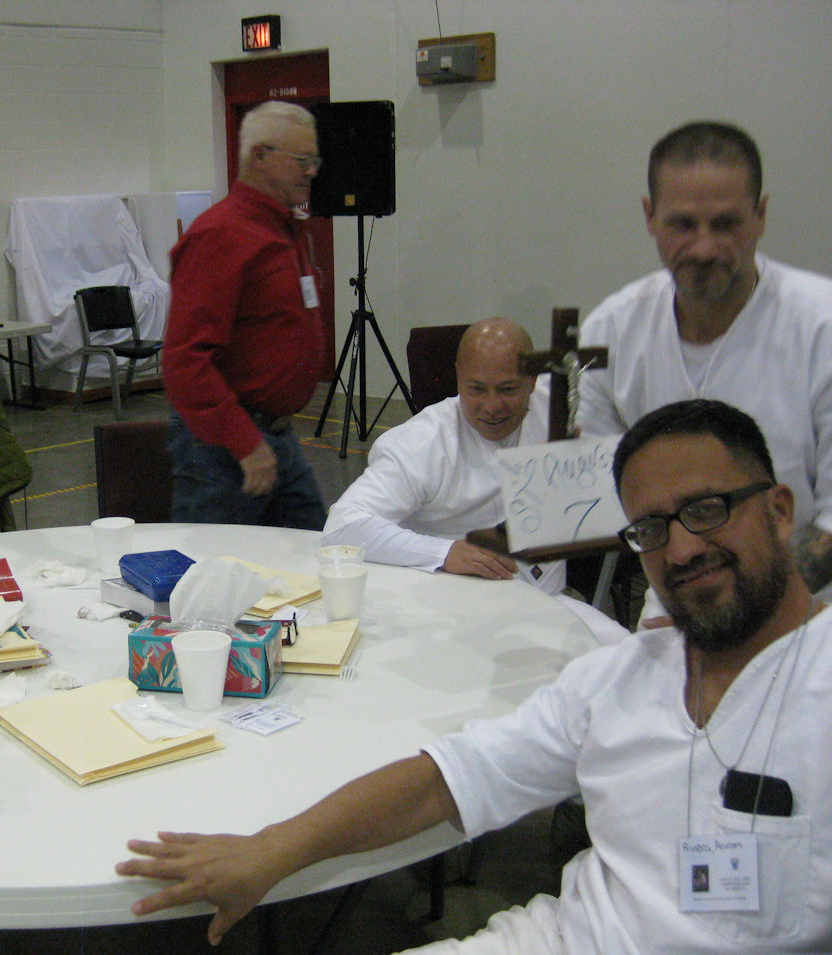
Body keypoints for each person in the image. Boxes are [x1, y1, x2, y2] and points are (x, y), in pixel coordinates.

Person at [118, 398, 831, 953]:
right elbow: (449, 778)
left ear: (778, 511)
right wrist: (269, 850)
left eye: (706, 510)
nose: (680, 549)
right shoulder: (618, 680)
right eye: (650, 528)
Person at [578, 121, 832, 607]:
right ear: (650, 216)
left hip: (809, 610)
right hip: (674, 606)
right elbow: (596, 494)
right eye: (682, 224)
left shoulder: (821, 327)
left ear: (760, 215)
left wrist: (743, 618)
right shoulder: (611, 332)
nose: (703, 248)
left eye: (725, 224)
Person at [163, 100, 326, 530]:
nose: (312, 171)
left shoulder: (283, 229)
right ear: (259, 156)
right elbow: (185, 360)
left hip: (275, 435)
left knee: (315, 553)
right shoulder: (222, 235)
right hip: (223, 447)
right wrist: (244, 443)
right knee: (215, 565)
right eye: (302, 161)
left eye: (315, 161)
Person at [322, 318, 558, 587]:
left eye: (508, 389)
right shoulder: (422, 444)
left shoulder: (560, 403)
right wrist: (443, 552)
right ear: (458, 379)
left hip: (549, 592)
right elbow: (342, 528)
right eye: (476, 389)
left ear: (533, 380)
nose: (492, 406)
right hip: (462, 594)